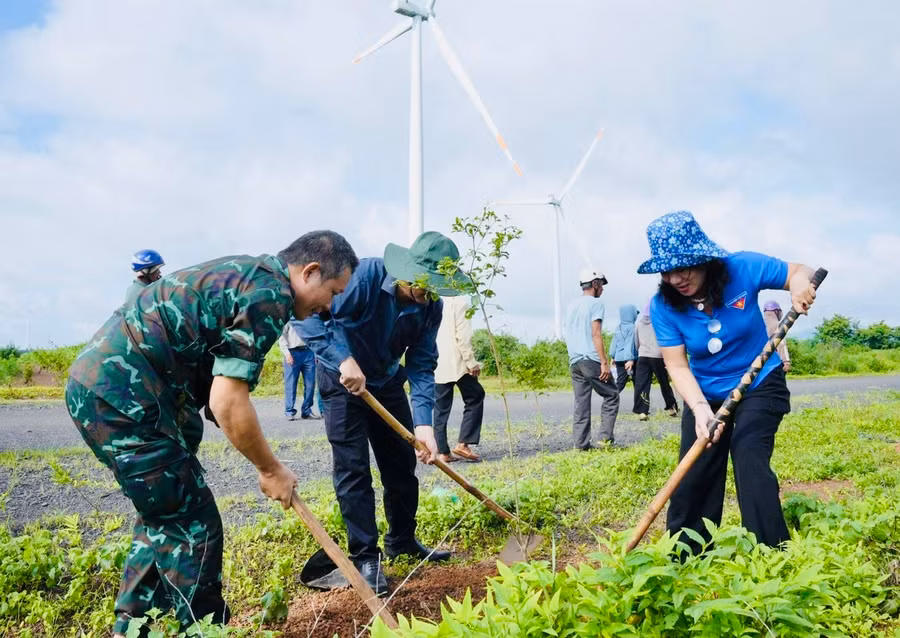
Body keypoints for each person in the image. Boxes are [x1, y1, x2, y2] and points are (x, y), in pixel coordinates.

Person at [65, 231, 358, 636]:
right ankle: (203, 630)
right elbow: (228, 402)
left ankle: (130, 629)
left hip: (108, 386)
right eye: (332, 290)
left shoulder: (251, 275)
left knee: (166, 513)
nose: (329, 305)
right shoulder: (271, 294)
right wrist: (271, 469)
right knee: (194, 525)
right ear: (309, 272)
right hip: (124, 394)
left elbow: (211, 370)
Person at [297, 231, 470, 596]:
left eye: (438, 288)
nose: (431, 295)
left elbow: (422, 364)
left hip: (387, 381)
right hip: (342, 382)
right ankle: (365, 557)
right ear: (409, 272)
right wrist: (344, 359)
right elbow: (309, 319)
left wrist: (424, 424)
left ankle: (402, 541)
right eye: (426, 286)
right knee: (353, 469)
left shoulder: (431, 307)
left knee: (402, 465)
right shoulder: (364, 279)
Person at [637, 211, 816, 555]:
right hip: (705, 392)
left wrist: (798, 287)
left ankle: (771, 553)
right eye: (668, 271)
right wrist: (701, 410)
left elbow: (798, 271)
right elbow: (676, 365)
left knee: (748, 452)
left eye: (685, 267)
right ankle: (685, 556)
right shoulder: (663, 306)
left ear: (704, 259)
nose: (676, 278)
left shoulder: (742, 268)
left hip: (759, 381)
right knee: (696, 468)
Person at [562, 269, 620, 450]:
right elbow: (596, 334)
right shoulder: (596, 303)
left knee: (581, 401)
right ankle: (605, 439)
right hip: (591, 359)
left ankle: (581, 443)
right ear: (595, 284)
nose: (602, 289)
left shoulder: (572, 305)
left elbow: (568, 332)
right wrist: (604, 362)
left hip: (575, 361)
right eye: (601, 284)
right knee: (611, 394)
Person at [433, 294, 485, 464]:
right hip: (458, 362)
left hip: (437, 362)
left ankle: (442, 452)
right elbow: (462, 337)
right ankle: (463, 443)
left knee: (440, 408)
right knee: (476, 396)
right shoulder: (460, 304)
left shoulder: (432, 301)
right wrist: (471, 362)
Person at [633, 300, 679, 420]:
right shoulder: (659, 321)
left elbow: (636, 341)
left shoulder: (638, 323)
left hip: (643, 356)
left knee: (642, 384)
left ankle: (642, 411)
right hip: (657, 356)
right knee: (664, 383)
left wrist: (641, 351)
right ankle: (671, 408)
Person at [279, 320, 320, 420]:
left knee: (310, 384)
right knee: (291, 384)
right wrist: (287, 353)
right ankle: (289, 411)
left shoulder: (309, 317)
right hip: (292, 352)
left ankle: (306, 410)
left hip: (308, 352)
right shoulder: (289, 319)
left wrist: (316, 352)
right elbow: (282, 336)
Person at [609, 304, 639, 395]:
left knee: (620, 381)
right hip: (630, 359)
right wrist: (630, 359)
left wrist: (613, 356)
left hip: (618, 358)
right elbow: (630, 344)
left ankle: (611, 398)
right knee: (637, 382)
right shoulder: (632, 327)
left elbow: (614, 343)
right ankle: (639, 406)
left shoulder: (618, 327)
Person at [763, 300, 792, 372]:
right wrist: (786, 361)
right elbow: (781, 344)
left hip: (759, 364)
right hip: (775, 364)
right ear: (776, 311)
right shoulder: (778, 325)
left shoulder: (760, 324)